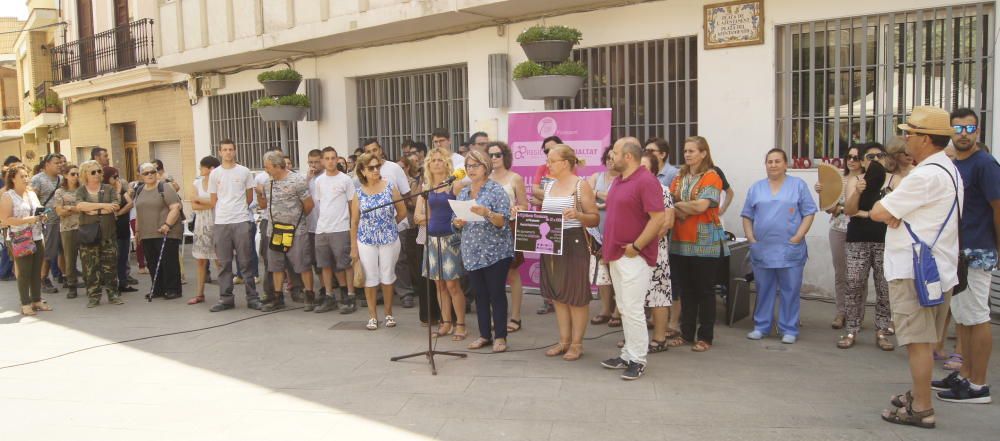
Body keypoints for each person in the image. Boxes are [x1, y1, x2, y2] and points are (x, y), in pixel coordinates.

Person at [872, 106, 961, 428]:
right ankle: (918, 393)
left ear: (924, 139)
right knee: (925, 340)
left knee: (917, 343)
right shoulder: (949, 170)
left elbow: (880, 211)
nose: (905, 138)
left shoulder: (924, 175)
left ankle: (922, 408)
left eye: (909, 133)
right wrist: (898, 212)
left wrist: (893, 211)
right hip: (936, 269)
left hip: (914, 271)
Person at [932, 107, 998, 404]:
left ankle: (978, 385)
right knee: (962, 318)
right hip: (955, 252)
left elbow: (998, 208)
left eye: (969, 129)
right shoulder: (952, 164)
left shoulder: (985, 164)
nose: (963, 134)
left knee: (977, 318)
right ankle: (965, 375)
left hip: (978, 250)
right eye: (957, 128)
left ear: (978, 132)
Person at [599, 137, 665, 380]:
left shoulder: (646, 180)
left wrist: (636, 246)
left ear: (627, 156)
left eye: (615, 153)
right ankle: (628, 353)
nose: (611, 157)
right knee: (625, 308)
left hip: (634, 256)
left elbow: (658, 218)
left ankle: (638, 359)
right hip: (617, 254)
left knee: (634, 308)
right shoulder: (619, 180)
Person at [742, 149, 817, 344]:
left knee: (790, 289)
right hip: (763, 248)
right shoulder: (756, 188)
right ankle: (761, 326)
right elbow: (747, 215)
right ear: (765, 164)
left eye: (777, 161)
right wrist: (751, 238)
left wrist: (798, 236)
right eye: (769, 162)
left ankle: (789, 328)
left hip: (789, 248)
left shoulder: (798, 185)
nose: (773, 165)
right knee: (763, 288)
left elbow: (809, 212)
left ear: (785, 164)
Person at [534, 145, 600, 360]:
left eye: (552, 161)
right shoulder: (550, 185)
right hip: (550, 243)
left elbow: (594, 217)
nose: (548, 164)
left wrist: (578, 215)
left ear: (564, 163)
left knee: (576, 296)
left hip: (574, 242)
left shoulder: (581, 186)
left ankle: (577, 344)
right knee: (558, 295)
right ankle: (563, 341)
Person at [667, 136, 729, 353]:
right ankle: (686, 334)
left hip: (705, 242)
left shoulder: (712, 176)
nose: (687, 154)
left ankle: (705, 336)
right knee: (686, 290)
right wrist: (683, 206)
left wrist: (679, 206)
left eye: (692, 151)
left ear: (704, 153)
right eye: (685, 151)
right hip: (680, 241)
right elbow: (670, 200)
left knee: (704, 290)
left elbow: (701, 207)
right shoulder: (680, 175)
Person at [453, 150, 515, 353]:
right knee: (479, 294)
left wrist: (486, 213)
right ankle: (484, 335)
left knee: (496, 293)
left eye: (475, 165)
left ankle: (500, 337)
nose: (471, 170)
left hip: (495, 252)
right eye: (468, 166)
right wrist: (457, 222)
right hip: (471, 251)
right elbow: (454, 222)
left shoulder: (496, 190)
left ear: (486, 167)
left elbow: (503, 222)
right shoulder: (463, 192)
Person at [839, 143, 899, 351]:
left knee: (884, 287)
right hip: (857, 239)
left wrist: (870, 214)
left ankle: (882, 331)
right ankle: (851, 329)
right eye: (869, 156)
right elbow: (849, 209)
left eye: (879, 155)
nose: (874, 160)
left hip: (886, 241)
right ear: (863, 160)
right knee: (854, 284)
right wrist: (857, 192)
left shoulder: (895, 180)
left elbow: (896, 214)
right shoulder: (855, 180)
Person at [414, 147, 467, 340]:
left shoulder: (456, 185)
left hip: (450, 238)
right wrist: (430, 219)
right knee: (439, 285)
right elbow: (417, 216)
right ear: (428, 164)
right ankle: (445, 323)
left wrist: (435, 218)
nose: (436, 163)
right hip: (431, 239)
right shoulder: (427, 187)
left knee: (453, 285)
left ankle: (460, 324)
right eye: (433, 160)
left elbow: (462, 211)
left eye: (440, 160)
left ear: (447, 163)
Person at [351, 152, 407, 330]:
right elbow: (354, 221)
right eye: (371, 168)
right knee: (370, 277)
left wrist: (390, 225)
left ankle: (389, 314)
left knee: (388, 275)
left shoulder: (390, 187)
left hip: (389, 238)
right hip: (366, 239)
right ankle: (372, 316)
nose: (376, 170)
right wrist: (353, 247)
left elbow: (402, 211)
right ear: (363, 171)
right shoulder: (358, 193)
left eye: (377, 166)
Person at [814, 145, 866, 329]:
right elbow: (829, 206)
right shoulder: (839, 179)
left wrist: (841, 209)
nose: (852, 160)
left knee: (859, 275)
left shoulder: (866, 181)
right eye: (849, 156)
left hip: (860, 230)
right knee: (841, 273)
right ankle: (841, 312)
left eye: (856, 157)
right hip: (838, 229)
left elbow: (866, 207)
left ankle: (857, 314)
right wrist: (822, 192)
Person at [208, 139, 261, 312]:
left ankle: (252, 297)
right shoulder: (215, 174)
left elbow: (250, 197)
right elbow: (213, 199)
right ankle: (226, 299)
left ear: (235, 151)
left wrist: (238, 209)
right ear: (220, 152)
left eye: (231, 149)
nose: (228, 152)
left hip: (241, 220)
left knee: (246, 261)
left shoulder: (244, 171)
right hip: (222, 221)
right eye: (225, 149)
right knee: (224, 263)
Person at [261, 151, 316, 312]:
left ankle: (309, 295)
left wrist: (295, 220)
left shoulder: (297, 180)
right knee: (276, 265)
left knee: (302, 264)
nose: (266, 170)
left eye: (268, 167)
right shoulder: (268, 182)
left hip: (296, 231)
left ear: (278, 166)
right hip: (275, 231)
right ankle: (278, 297)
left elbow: (309, 205)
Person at [486, 142, 530, 333]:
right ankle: (496, 316)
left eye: (497, 154)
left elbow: (524, 205)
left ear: (505, 156)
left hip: (509, 228)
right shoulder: (484, 178)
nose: (494, 158)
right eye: (490, 155)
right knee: (490, 276)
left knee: (512, 274)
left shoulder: (515, 178)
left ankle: (516, 317)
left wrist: (516, 209)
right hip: (487, 230)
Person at [639, 151, 676, 352]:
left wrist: (642, 241)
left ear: (654, 170)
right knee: (635, 298)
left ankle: (660, 339)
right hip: (633, 252)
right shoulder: (631, 188)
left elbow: (666, 223)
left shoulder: (661, 190)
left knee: (658, 295)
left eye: (644, 167)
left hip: (654, 251)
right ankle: (637, 340)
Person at [0, 165, 51, 315]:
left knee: (36, 270)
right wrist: (30, 219)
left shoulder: (31, 194)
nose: (25, 179)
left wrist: (43, 216)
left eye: (26, 176)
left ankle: (37, 300)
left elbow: (38, 209)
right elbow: (5, 219)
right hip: (20, 238)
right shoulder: (8, 196)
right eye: (22, 176)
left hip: (36, 235)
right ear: (13, 178)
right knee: (24, 272)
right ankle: (25, 303)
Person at [313, 147, 358, 314]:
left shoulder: (345, 180)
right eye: (327, 158)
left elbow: (351, 205)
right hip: (322, 229)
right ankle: (329, 295)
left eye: (333, 158)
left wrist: (352, 226)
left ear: (337, 159)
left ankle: (350, 295)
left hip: (340, 228)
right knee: (324, 265)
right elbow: (319, 204)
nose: (330, 161)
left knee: (344, 264)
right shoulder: (319, 181)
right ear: (323, 161)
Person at [74, 160, 122, 308]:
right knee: (90, 267)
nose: (97, 175)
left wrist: (93, 210)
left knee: (110, 266)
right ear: (85, 175)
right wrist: (103, 206)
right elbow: (80, 206)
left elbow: (115, 206)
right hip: (89, 234)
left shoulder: (108, 189)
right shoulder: (81, 190)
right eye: (93, 172)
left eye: (99, 171)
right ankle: (94, 296)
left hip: (108, 234)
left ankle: (113, 294)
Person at [133, 162, 184, 300]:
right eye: (146, 173)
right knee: (152, 262)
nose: (149, 175)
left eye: (152, 172)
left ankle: (173, 289)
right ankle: (158, 288)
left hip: (166, 231)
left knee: (169, 262)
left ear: (156, 173)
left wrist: (167, 224)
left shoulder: (165, 187)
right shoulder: (139, 190)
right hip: (146, 233)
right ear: (140, 176)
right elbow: (138, 211)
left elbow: (175, 207)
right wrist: (137, 231)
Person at [531, 135, 564, 315]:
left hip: (562, 222)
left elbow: (568, 194)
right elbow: (534, 190)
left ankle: (562, 297)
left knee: (561, 263)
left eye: (553, 149)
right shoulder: (542, 168)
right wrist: (550, 195)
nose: (548, 153)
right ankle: (548, 299)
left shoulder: (569, 170)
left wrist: (543, 196)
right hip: (543, 220)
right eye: (546, 151)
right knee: (545, 262)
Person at [587, 146, 619, 328]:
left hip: (617, 232)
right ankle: (605, 310)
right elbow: (585, 197)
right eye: (607, 157)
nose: (609, 161)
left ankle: (618, 311)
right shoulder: (596, 177)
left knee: (617, 273)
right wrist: (605, 200)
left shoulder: (623, 179)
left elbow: (616, 199)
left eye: (612, 158)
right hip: (597, 232)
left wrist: (598, 195)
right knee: (602, 274)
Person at [31, 153, 64, 294]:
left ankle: (66, 276)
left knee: (64, 251)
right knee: (48, 252)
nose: (60, 165)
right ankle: (43, 278)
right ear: (47, 164)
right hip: (48, 222)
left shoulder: (62, 179)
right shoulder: (37, 179)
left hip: (63, 220)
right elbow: (33, 200)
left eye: (61, 163)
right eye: (57, 163)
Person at [189, 156, 219, 305]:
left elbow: (219, 202)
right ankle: (199, 294)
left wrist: (204, 201)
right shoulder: (197, 183)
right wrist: (211, 203)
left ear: (211, 169)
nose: (200, 170)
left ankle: (225, 293)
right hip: (201, 224)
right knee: (201, 260)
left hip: (217, 222)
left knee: (220, 260)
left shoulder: (219, 183)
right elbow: (193, 204)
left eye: (202, 167)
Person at [108, 167, 138, 294]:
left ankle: (123, 283)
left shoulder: (122, 190)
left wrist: (119, 213)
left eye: (117, 177)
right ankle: (114, 285)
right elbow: (113, 206)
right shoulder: (106, 191)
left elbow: (130, 203)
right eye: (114, 177)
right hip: (113, 230)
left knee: (124, 257)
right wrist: (118, 191)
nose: (117, 180)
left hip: (123, 226)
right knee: (115, 258)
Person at [54, 164, 81, 299]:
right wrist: (75, 208)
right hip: (68, 228)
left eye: (77, 174)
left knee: (87, 257)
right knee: (70, 258)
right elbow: (60, 212)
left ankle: (91, 283)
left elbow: (86, 208)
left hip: (83, 227)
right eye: (72, 174)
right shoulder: (60, 192)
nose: (75, 177)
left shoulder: (82, 190)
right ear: (65, 175)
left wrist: (69, 208)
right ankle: (71, 285)